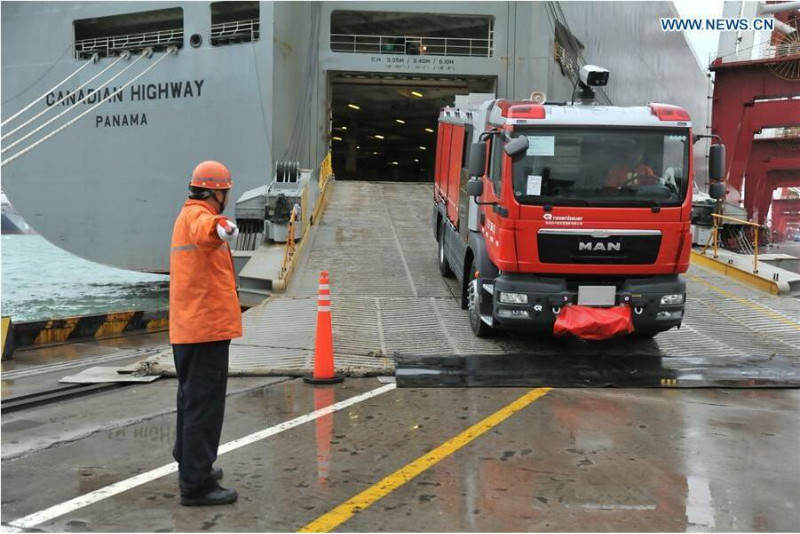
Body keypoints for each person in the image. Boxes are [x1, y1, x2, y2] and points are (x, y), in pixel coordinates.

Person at [169, 160, 242, 506]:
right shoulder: (199, 216)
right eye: (225, 192)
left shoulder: (186, 215)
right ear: (216, 192)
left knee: (190, 401)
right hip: (205, 329)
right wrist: (221, 226)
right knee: (205, 405)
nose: (226, 197)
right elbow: (207, 228)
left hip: (190, 328)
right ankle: (196, 485)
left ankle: (191, 463)